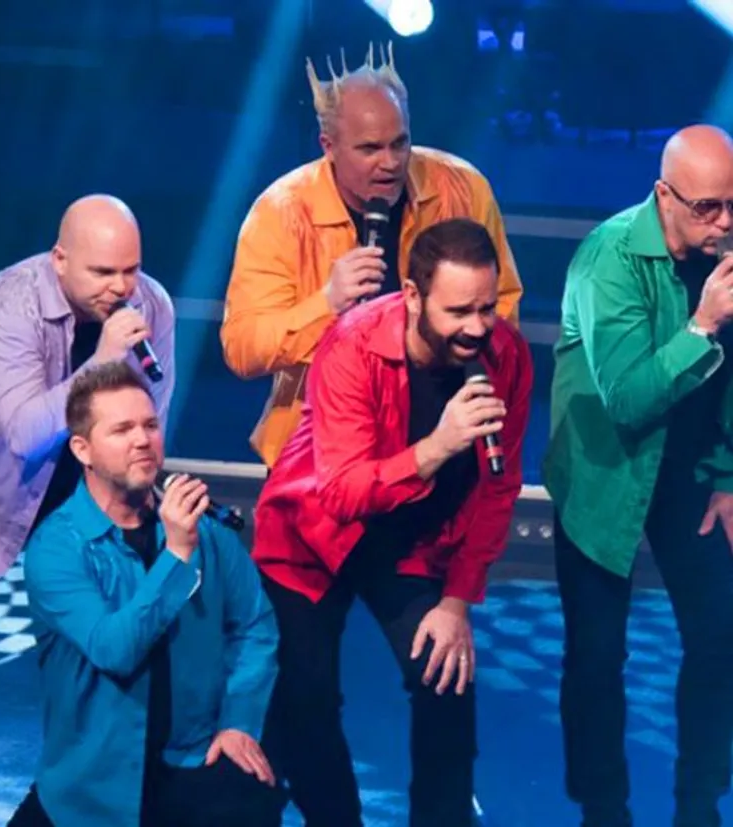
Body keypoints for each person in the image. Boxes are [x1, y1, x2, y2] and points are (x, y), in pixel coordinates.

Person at [0, 195, 176, 826]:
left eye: (130, 269)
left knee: (114, 643)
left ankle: (78, 800)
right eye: (103, 273)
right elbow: (24, 434)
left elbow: (149, 421)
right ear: (60, 260)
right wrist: (102, 359)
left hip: (84, 492)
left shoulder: (151, 305)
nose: (122, 287)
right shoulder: (8, 303)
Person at [253, 218, 533, 827]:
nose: (477, 327)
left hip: (409, 542)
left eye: (487, 308)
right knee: (306, 702)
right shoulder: (352, 345)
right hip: (312, 536)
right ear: (412, 296)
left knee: (446, 679)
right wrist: (437, 446)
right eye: (459, 310)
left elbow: (498, 488)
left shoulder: (504, 356)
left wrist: (457, 602)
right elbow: (345, 491)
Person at [544, 124, 733, 827]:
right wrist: (703, 325)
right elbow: (625, 398)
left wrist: (730, 474)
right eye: (708, 208)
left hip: (688, 467)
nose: (725, 223)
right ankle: (602, 810)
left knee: (721, 632)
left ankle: (699, 806)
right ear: (664, 195)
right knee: (597, 656)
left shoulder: (728, 246)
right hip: (603, 469)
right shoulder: (611, 257)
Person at [221, 42, 523, 469]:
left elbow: (505, 307)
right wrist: (326, 304)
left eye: (400, 144)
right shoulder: (281, 212)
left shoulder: (462, 189)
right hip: (320, 451)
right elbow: (242, 348)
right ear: (328, 145)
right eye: (369, 149)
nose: (390, 163)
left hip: (439, 434)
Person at [14, 359, 283, 827]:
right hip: (93, 780)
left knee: (253, 799)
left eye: (150, 425)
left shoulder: (209, 532)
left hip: (194, 756)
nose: (142, 439)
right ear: (83, 449)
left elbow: (255, 625)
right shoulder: (57, 549)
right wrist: (177, 554)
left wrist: (239, 719)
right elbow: (113, 649)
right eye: (121, 430)